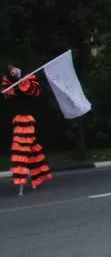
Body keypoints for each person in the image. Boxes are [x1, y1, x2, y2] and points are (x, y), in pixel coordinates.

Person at [2, 64, 52, 194]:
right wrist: (12, 90)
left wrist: (19, 85)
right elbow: (8, 93)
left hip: (27, 119)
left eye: (14, 69)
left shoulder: (29, 80)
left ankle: (25, 181)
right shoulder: (7, 82)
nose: (12, 72)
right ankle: (37, 176)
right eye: (10, 70)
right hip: (16, 118)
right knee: (29, 150)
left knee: (22, 149)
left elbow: (32, 91)